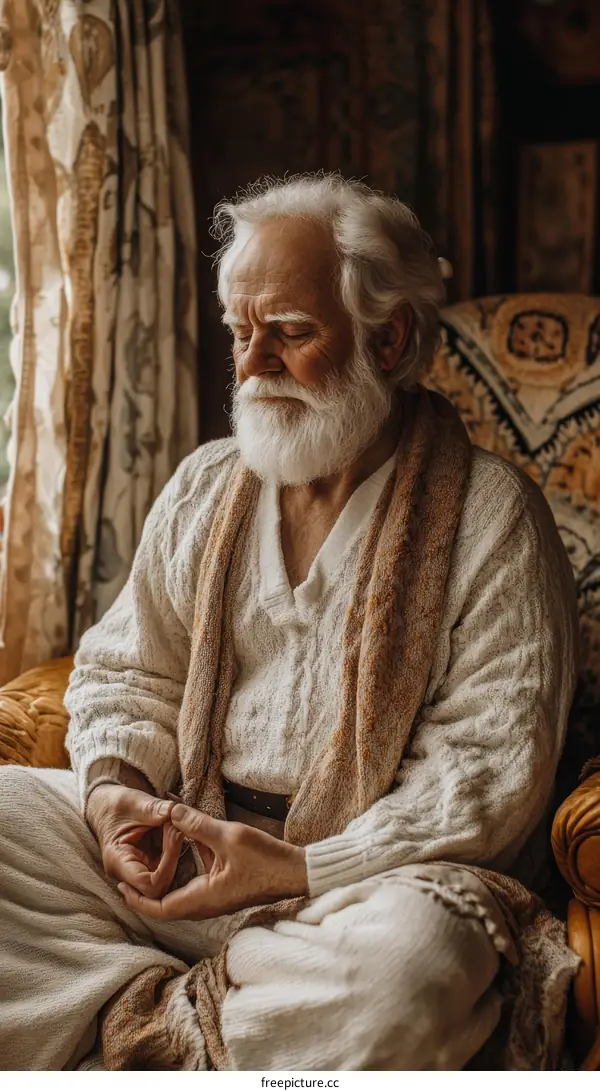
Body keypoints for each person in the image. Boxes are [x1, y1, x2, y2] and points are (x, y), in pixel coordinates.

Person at [0, 174, 579, 1071]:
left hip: (357, 888)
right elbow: (126, 670)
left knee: (415, 969)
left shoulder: (495, 517)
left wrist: (299, 867)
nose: (253, 363)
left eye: (291, 332)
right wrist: (117, 799)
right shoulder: (205, 483)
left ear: (388, 337)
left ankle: (135, 1019)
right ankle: (191, 1016)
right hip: (184, 846)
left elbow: (487, 772)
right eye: (241, 332)